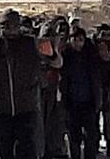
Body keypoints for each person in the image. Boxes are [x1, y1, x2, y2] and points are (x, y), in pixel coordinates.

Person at [0, 9, 61, 159]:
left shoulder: (30, 43)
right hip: (0, 110)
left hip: (27, 109)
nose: (10, 29)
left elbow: (57, 63)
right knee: (3, 153)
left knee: (28, 153)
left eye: (13, 25)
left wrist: (52, 53)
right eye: (6, 25)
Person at [60, 27, 100, 159]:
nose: (78, 43)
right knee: (74, 137)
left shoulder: (91, 55)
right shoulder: (65, 56)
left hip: (88, 102)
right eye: (75, 40)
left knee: (91, 137)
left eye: (81, 40)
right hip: (71, 102)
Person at [38, 17, 70, 159]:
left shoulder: (67, 49)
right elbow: (53, 62)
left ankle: (56, 149)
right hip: (43, 90)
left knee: (57, 123)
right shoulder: (41, 47)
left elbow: (58, 63)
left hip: (58, 90)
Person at [93, 29, 110, 157]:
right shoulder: (92, 57)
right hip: (95, 92)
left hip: (108, 92)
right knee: (94, 121)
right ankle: (95, 144)